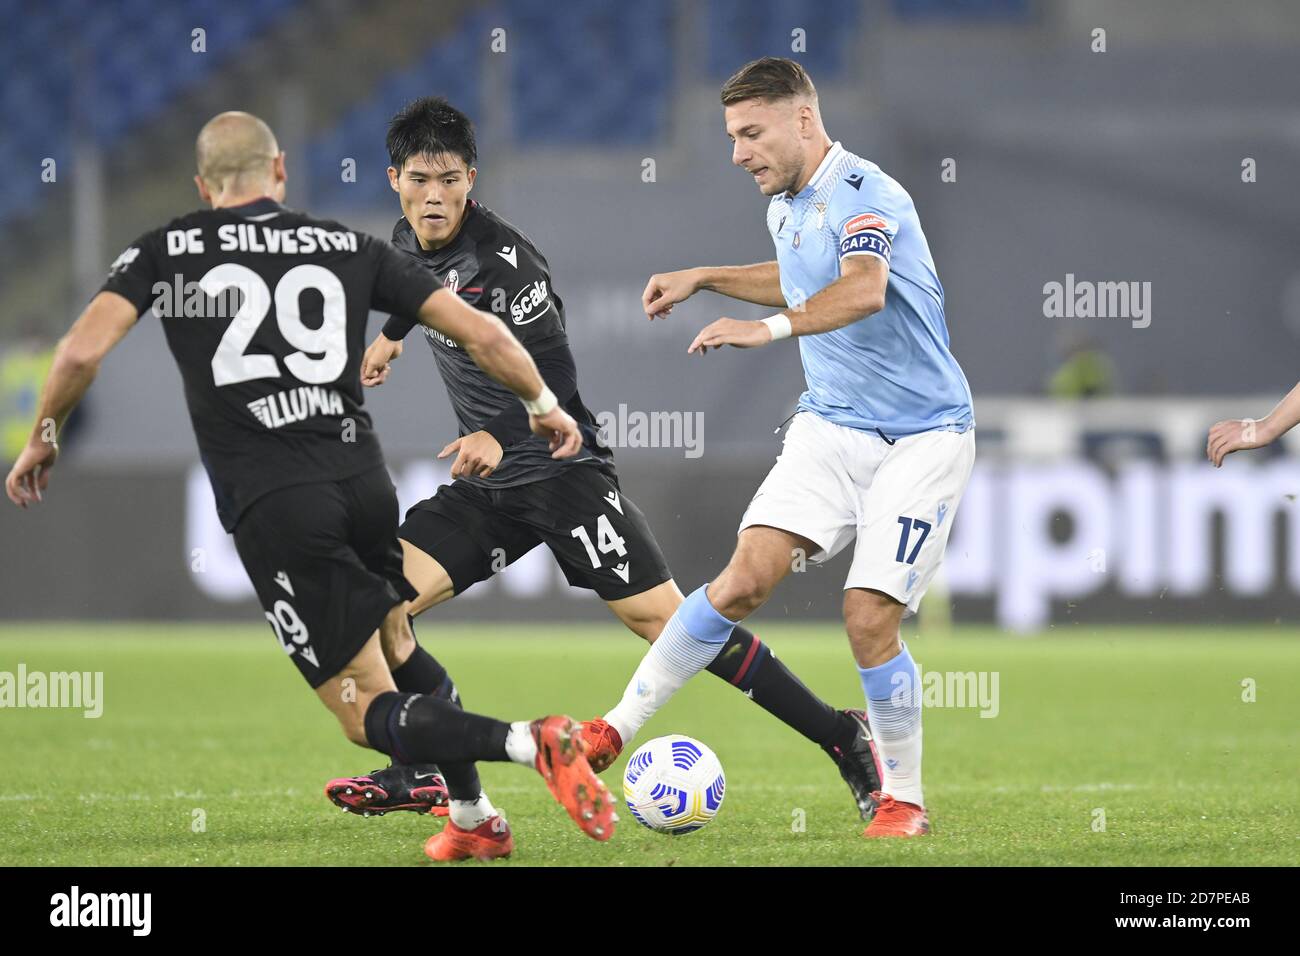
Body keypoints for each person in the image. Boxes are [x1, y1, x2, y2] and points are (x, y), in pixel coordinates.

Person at [3, 110, 614, 862]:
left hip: (277, 499)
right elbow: (485, 334)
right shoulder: (345, 245)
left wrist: (44, 436)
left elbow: (78, 351)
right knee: (396, 639)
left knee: (364, 709)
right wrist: (546, 410)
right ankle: (475, 818)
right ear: (281, 171)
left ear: (203, 185)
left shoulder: (169, 247)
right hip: (363, 480)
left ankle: (533, 742)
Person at [329, 96, 884, 830]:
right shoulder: (408, 236)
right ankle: (428, 770)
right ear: (395, 178)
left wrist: (499, 429)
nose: (434, 198)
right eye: (420, 181)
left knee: (675, 626)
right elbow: (421, 282)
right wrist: (393, 334)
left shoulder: (506, 262)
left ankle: (842, 735)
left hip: (561, 471)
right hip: (490, 489)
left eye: (451, 181)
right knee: (379, 602)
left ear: (473, 178)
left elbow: (555, 372)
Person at [622, 57, 977, 838]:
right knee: (741, 581)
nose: (738, 152)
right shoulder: (786, 204)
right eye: (731, 136)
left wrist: (766, 331)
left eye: (751, 133)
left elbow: (863, 287)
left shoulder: (869, 194)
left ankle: (904, 799)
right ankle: (610, 732)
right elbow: (796, 277)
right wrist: (708, 277)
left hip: (922, 437)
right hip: (832, 425)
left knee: (866, 618)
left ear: (803, 121)